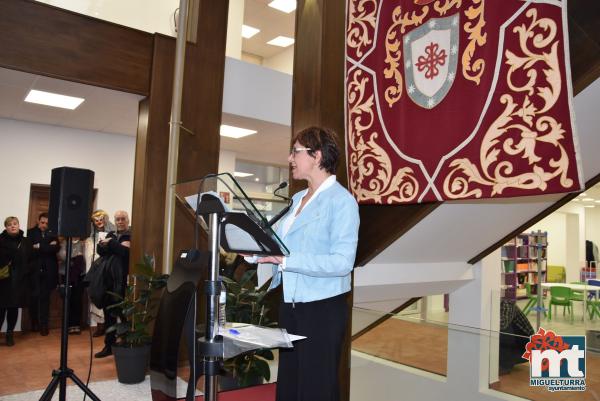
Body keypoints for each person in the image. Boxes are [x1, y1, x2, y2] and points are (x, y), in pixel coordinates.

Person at [257, 127, 360, 401]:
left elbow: (342, 263)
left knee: (317, 388)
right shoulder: (295, 200)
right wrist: (253, 247)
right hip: (290, 306)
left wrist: (287, 260)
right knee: (290, 384)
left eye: (296, 152)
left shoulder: (342, 202)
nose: (290, 158)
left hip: (322, 310)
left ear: (316, 156)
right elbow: (278, 246)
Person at [94, 210, 131, 358]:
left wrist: (112, 244)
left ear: (127, 220)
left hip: (122, 281)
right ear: (114, 222)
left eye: (123, 219)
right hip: (107, 280)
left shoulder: (130, 234)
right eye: (117, 219)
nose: (120, 221)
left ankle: (127, 344)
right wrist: (109, 244)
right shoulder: (111, 235)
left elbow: (125, 253)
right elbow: (100, 251)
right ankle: (108, 345)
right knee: (108, 314)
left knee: (123, 314)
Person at [0, 217, 34, 346]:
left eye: (15, 224)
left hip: (19, 281)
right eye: (9, 225)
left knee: (13, 308)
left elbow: (32, 259)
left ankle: (9, 334)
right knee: (1, 309)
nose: (13, 226)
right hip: (3, 280)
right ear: (6, 227)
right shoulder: (1, 240)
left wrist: (26, 270)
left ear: (19, 225)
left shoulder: (25, 241)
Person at [27, 212, 59, 336]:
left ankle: (44, 325)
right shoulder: (30, 232)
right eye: (42, 222)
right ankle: (34, 323)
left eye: (47, 223)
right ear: (38, 221)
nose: (44, 225)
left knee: (45, 299)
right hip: (34, 272)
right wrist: (46, 246)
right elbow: (30, 249)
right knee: (34, 298)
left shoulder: (53, 233)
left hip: (48, 272)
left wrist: (39, 246)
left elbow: (56, 248)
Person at [84, 210, 115, 337]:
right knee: (96, 296)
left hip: (107, 271)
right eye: (96, 220)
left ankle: (110, 327)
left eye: (101, 220)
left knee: (108, 298)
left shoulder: (111, 236)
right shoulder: (89, 239)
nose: (99, 222)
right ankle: (100, 326)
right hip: (94, 272)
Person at [57, 237, 86, 334]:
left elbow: (84, 259)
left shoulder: (83, 243)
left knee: (77, 300)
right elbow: (62, 256)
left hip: (79, 276)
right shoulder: (64, 243)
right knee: (67, 300)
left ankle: (76, 325)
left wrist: (72, 258)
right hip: (66, 275)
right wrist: (75, 258)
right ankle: (68, 325)